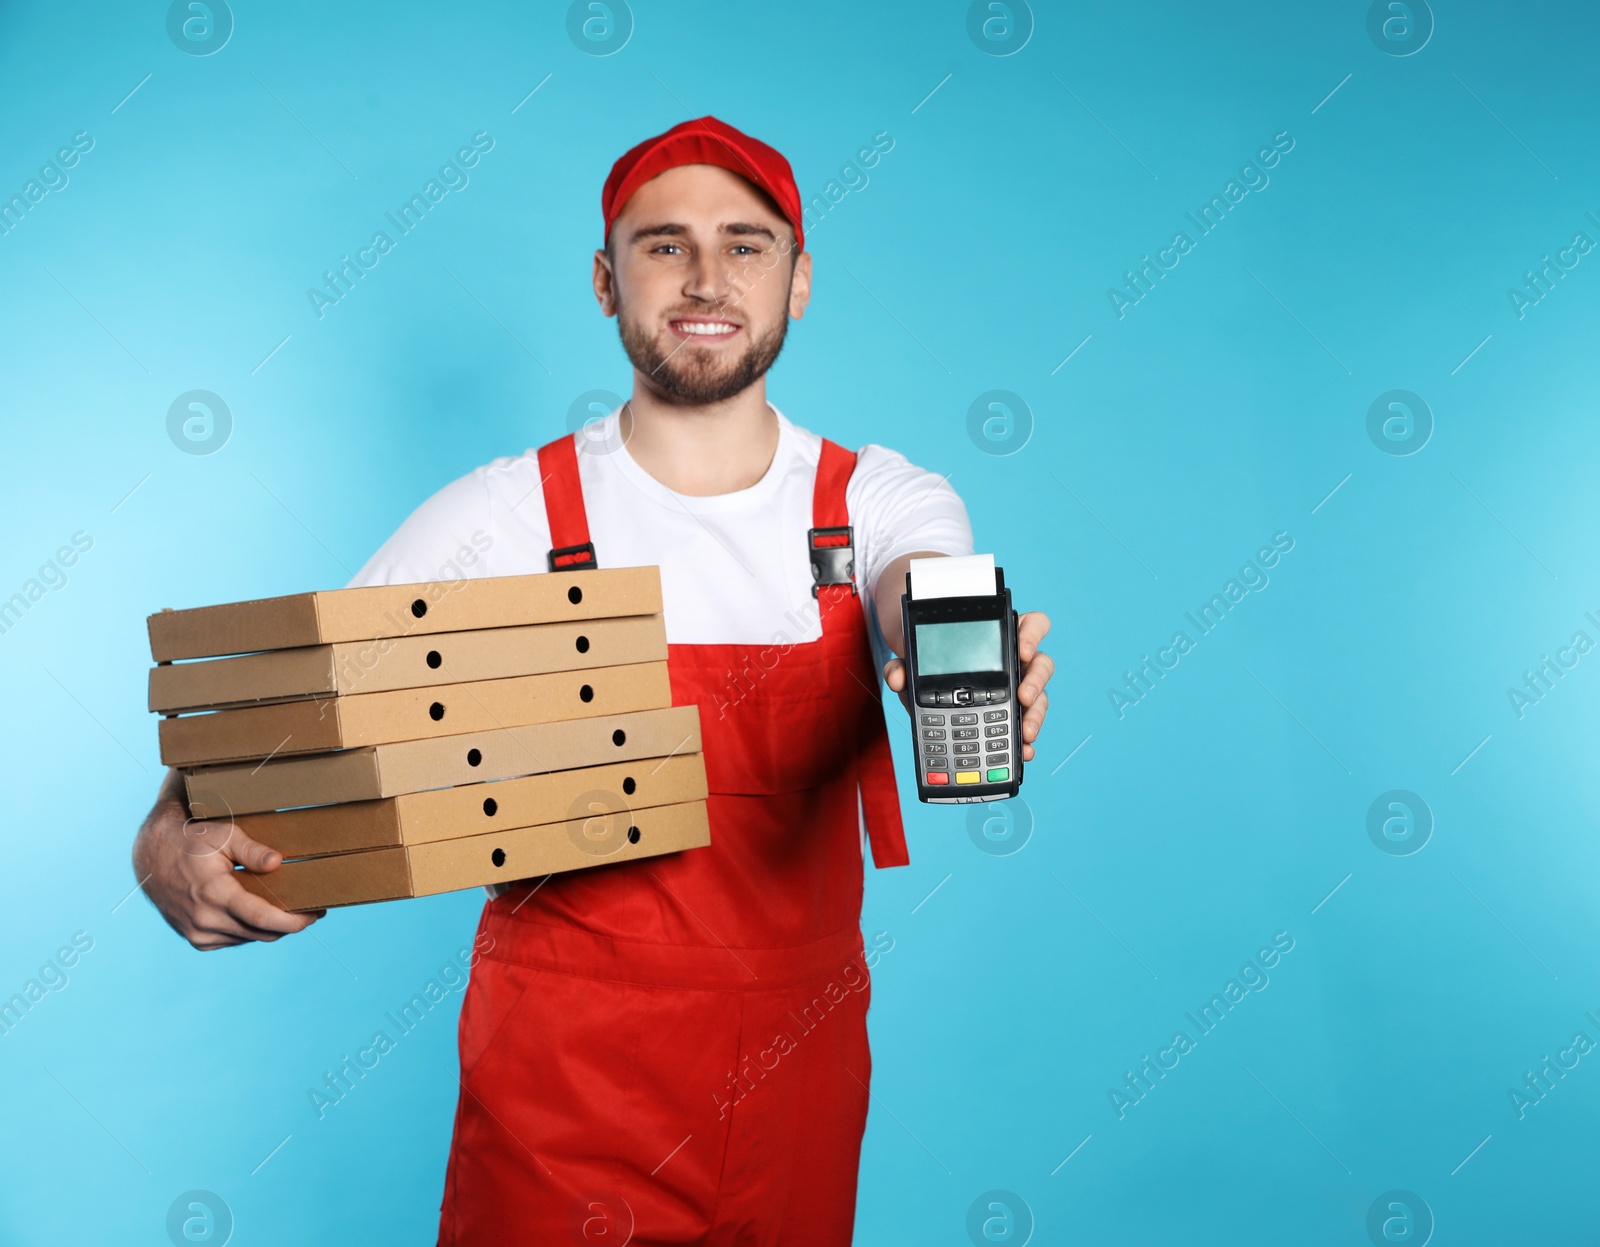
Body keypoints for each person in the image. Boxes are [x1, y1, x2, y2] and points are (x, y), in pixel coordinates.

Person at [132, 116, 1054, 1244]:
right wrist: (168, 837)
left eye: (747, 244)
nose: (706, 276)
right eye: (662, 244)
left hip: (799, 1083)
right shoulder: (505, 515)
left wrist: (952, 648)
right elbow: (290, 729)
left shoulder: (875, 503)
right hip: (562, 1096)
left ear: (799, 280)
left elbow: (922, 577)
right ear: (604, 280)